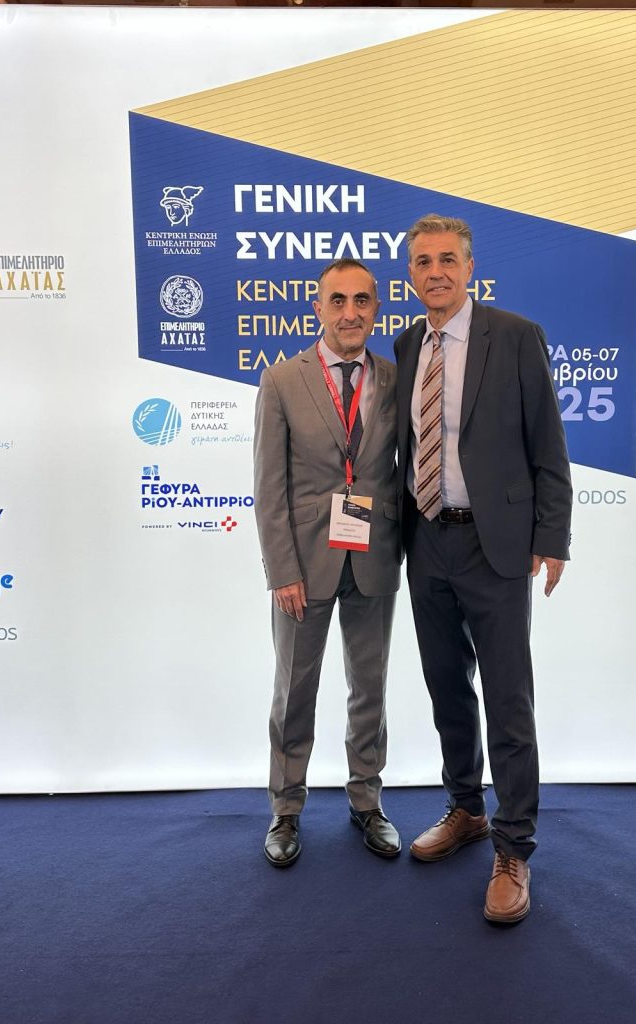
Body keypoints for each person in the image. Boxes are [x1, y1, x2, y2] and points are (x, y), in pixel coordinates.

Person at [394, 214, 572, 924]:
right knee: (446, 686)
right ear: (411, 273)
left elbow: (548, 444)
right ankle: (465, 808)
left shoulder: (517, 336)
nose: (435, 271)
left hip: (495, 544)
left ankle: (514, 846)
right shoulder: (407, 344)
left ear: (470, 268)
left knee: (507, 697)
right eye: (422, 261)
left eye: (448, 259)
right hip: (425, 540)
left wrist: (552, 537)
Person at [253, 258, 402, 867]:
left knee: (370, 689)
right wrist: (281, 570)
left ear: (376, 309)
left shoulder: (396, 378)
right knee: (295, 690)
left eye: (361, 300)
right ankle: (286, 808)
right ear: (318, 308)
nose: (350, 312)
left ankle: (367, 800)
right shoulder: (281, 380)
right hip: (304, 565)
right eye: (337, 300)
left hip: (374, 558)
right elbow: (268, 486)